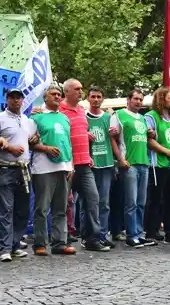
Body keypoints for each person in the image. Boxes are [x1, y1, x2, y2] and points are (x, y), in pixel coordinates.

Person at [59, 79, 107, 252]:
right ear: (67, 92)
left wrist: (87, 153)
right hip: (67, 165)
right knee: (63, 204)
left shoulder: (81, 110)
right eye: (77, 89)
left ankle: (92, 238)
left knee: (93, 199)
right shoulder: (58, 109)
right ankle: (61, 239)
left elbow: (79, 132)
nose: (81, 91)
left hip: (84, 164)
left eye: (81, 88)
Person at [30, 86, 77, 255]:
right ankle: (40, 244)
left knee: (61, 208)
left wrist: (71, 166)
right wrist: (46, 148)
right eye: (53, 94)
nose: (57, 96)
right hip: (43, 168)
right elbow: (29, 142)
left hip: (64, 167)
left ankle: (59, 243)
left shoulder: (64, 118)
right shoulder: (36, 117)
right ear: (45, 98)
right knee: (42, 208)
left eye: (59, 94)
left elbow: (67, 143)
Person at [0, 89, 35, 261]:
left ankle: (15, 244)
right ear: (7, 99)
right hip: (5, 168)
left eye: (18, 98)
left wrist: (35, 139)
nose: (15, 100)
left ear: (22, 100)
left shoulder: (26, 120)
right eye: (12, 97)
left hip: (24, 169)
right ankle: (5, 248)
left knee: (22, 210)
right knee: (6, 210)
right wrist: (9, 148)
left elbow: (31, 138)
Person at [110, 90, 156, 248]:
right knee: (131, 202)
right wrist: (120, 159)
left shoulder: (142, 118)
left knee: (141, 202)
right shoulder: (118, 115)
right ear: (128, 100)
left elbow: (147, 137)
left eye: (141, 99)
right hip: (129, 164)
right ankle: (131, 235)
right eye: (135, 99)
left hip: (144, 162)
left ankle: (139, 233)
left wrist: (151, 134)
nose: (138, 102)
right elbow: (113, 138)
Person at [144, 87, 170, 245]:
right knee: (155, 199)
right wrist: (167, 152)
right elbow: (149, 140)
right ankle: (151, 232)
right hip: (158, 164)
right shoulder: (151, 116)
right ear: (161, 99)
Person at [86, 87, 120, 248]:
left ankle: (103, 235)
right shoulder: (83, 117)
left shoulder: (109, 117)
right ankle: (87, 236)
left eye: (99, 97)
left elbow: (115, 139)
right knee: (88, 203)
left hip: (106, 163)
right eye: (93, 96)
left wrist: (116, 134)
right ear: (88, 98)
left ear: (103, 99)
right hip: (90, 164)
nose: (96, 99)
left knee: (104, 203)